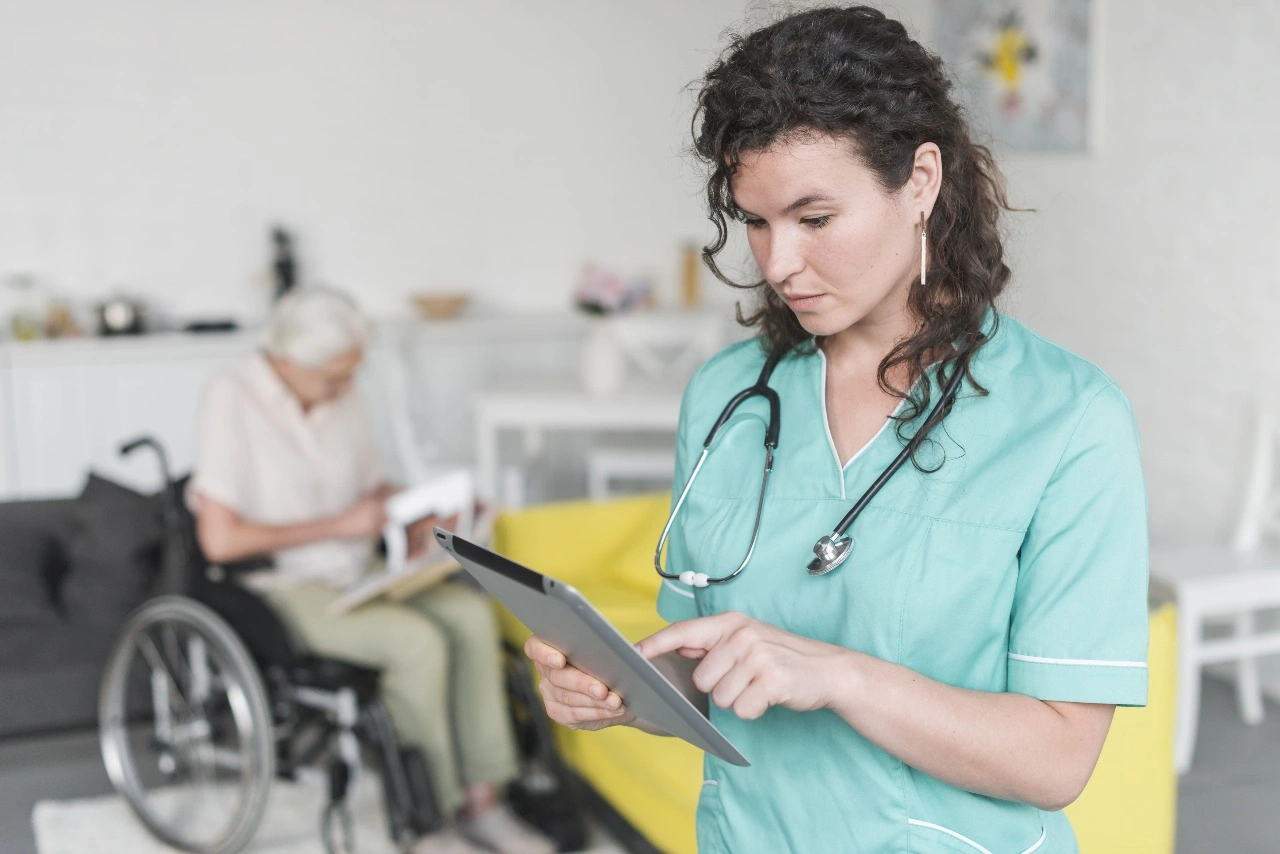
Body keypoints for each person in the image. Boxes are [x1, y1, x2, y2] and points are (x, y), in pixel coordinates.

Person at [525, 7, 1148, 853]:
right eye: (754, 220)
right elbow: (711, 674)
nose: (777, 263)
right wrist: (620, 689)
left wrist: (844, 677)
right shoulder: (725, 396)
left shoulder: (1070, 422)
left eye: (814, 219)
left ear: (920, 181)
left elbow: (1058, 761)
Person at [191, 287, 554, 854]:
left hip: (359, 568)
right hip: (284, 586)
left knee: (470, 613)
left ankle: (486, 803)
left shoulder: (340, 391)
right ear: (288, 363)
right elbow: (219, 539)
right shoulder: (232, 395)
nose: (346, 388)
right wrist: (339, 524)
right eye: (335, 377)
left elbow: (372, 493)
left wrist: (437, 507)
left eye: (352, 374)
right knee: (415, 643)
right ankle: (426, 819)